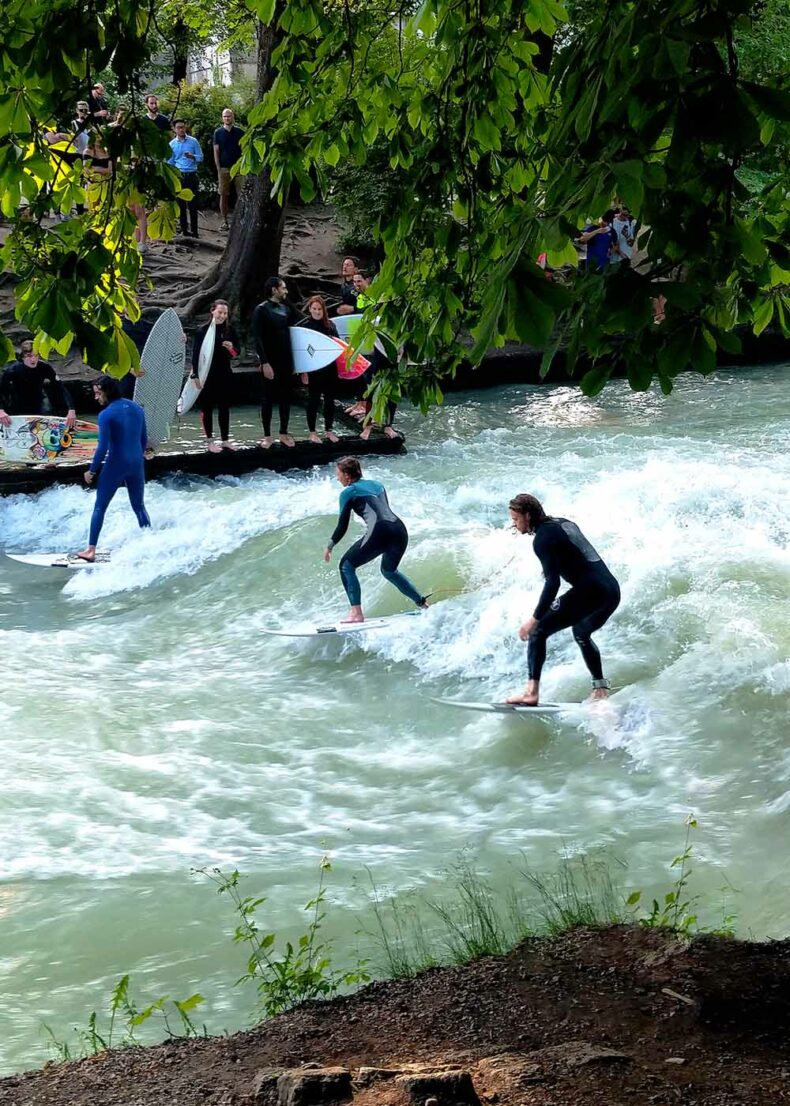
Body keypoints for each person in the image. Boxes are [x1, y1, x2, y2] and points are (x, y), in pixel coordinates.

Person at [506, 494, 620, 706]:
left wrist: (534, 619)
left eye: (516, 520)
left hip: (591, 592)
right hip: (611, 590)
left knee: (538, 632)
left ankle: (531, 694)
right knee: (581, 632)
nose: (514, 525)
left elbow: (553, 584)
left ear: (528, 516)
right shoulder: (563, 523)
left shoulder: (542, 539)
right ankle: (601, 688)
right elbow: (577, 554)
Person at [324, 456, 428, 623]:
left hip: (380, 531)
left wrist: (330, 546)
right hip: (399, 529)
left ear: (347, 475)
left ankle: (356, 614)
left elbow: (343, 525)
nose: (337, 478)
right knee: (389, 571)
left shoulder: (348, 492)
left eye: (339, 474)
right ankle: (422, 604)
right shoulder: (378, 485)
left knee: (346, 566)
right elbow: (383, 511)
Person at [76, 375, 150, 562]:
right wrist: (137, 459)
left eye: (98, 393)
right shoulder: (137, 408)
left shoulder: (106, 415)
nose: (96, 398)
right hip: (136, 464)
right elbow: (143, 439)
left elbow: (102, 448)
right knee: (139, 506)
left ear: (106, 392)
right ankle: (151, 544)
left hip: (116, 464)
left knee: (100, 507)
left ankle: (90, 550)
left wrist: (91, 471)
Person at [250, 276, 299, 448]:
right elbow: (257, 338)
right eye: (283, 288)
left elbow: (298, 330)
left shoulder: (286, 309)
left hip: (286, 360)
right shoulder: (261, 310)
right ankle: (267, 436)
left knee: (286, 398)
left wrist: (296, 363)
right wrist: (264, 362)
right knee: (268, 399)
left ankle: (284, 433)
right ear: (274, 290)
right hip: (270, 361)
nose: (285, 291)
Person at [189, 300, 238, 452]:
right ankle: (210, 441)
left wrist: (231, 348)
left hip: (224, 373)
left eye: (225, 313)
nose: (222, 316)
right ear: (212, 311)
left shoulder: (229, 330)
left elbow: (237, 353)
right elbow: (196, 354)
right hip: (206, 374)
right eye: (220, 312)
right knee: (207, 407)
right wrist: (195, 376)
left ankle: (225, 440)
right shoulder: (202, 330)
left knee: (224, 407)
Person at [0, 341, 76, 427]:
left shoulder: (44, 367)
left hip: (39, 404)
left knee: (49, 405)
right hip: (17, 406)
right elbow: (1, 391)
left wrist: (71, 409)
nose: (33, 359)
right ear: (22, 357)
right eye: (29, 356)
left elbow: (61, 387)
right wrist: (1, 410)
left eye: (36, 355)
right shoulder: (12, 370)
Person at [301, 296, 340, 444]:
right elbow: (302, 350)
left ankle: (329, 430)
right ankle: (312, 432)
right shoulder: (305, 326)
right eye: (314, 309)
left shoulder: (330, 325)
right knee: (313, 400)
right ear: (310, 309)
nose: (317, 312)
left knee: (330, 400)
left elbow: (338, 346)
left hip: (330, 367)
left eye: (320, 309)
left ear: (324, 310)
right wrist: (303, 371)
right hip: (313, 368)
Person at [168, 119, 203, 238]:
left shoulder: (193, 141)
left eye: (183, 127)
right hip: (179, 175)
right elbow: (170, 162)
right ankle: (184, 231)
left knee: (193, 205)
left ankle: (195, 231)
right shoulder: (172, 144)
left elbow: (201, 157)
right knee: (181, 205)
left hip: (192, 174)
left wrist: (193, 157)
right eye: (178, 127)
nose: (181, 130)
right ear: (174, 129)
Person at [212, 108, 244, 231]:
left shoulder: (240, 132)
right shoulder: (218, 132)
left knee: (241, 194)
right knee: (223, 195)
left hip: (239, 168)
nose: (227, 118)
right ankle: (225, 221)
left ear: (233, 117)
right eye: (225, 117)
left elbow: (244, 150)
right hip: (224, 168)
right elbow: (216, 151)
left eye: (229, 116)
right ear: (222, 118)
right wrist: (218, 168)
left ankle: (240, 220)